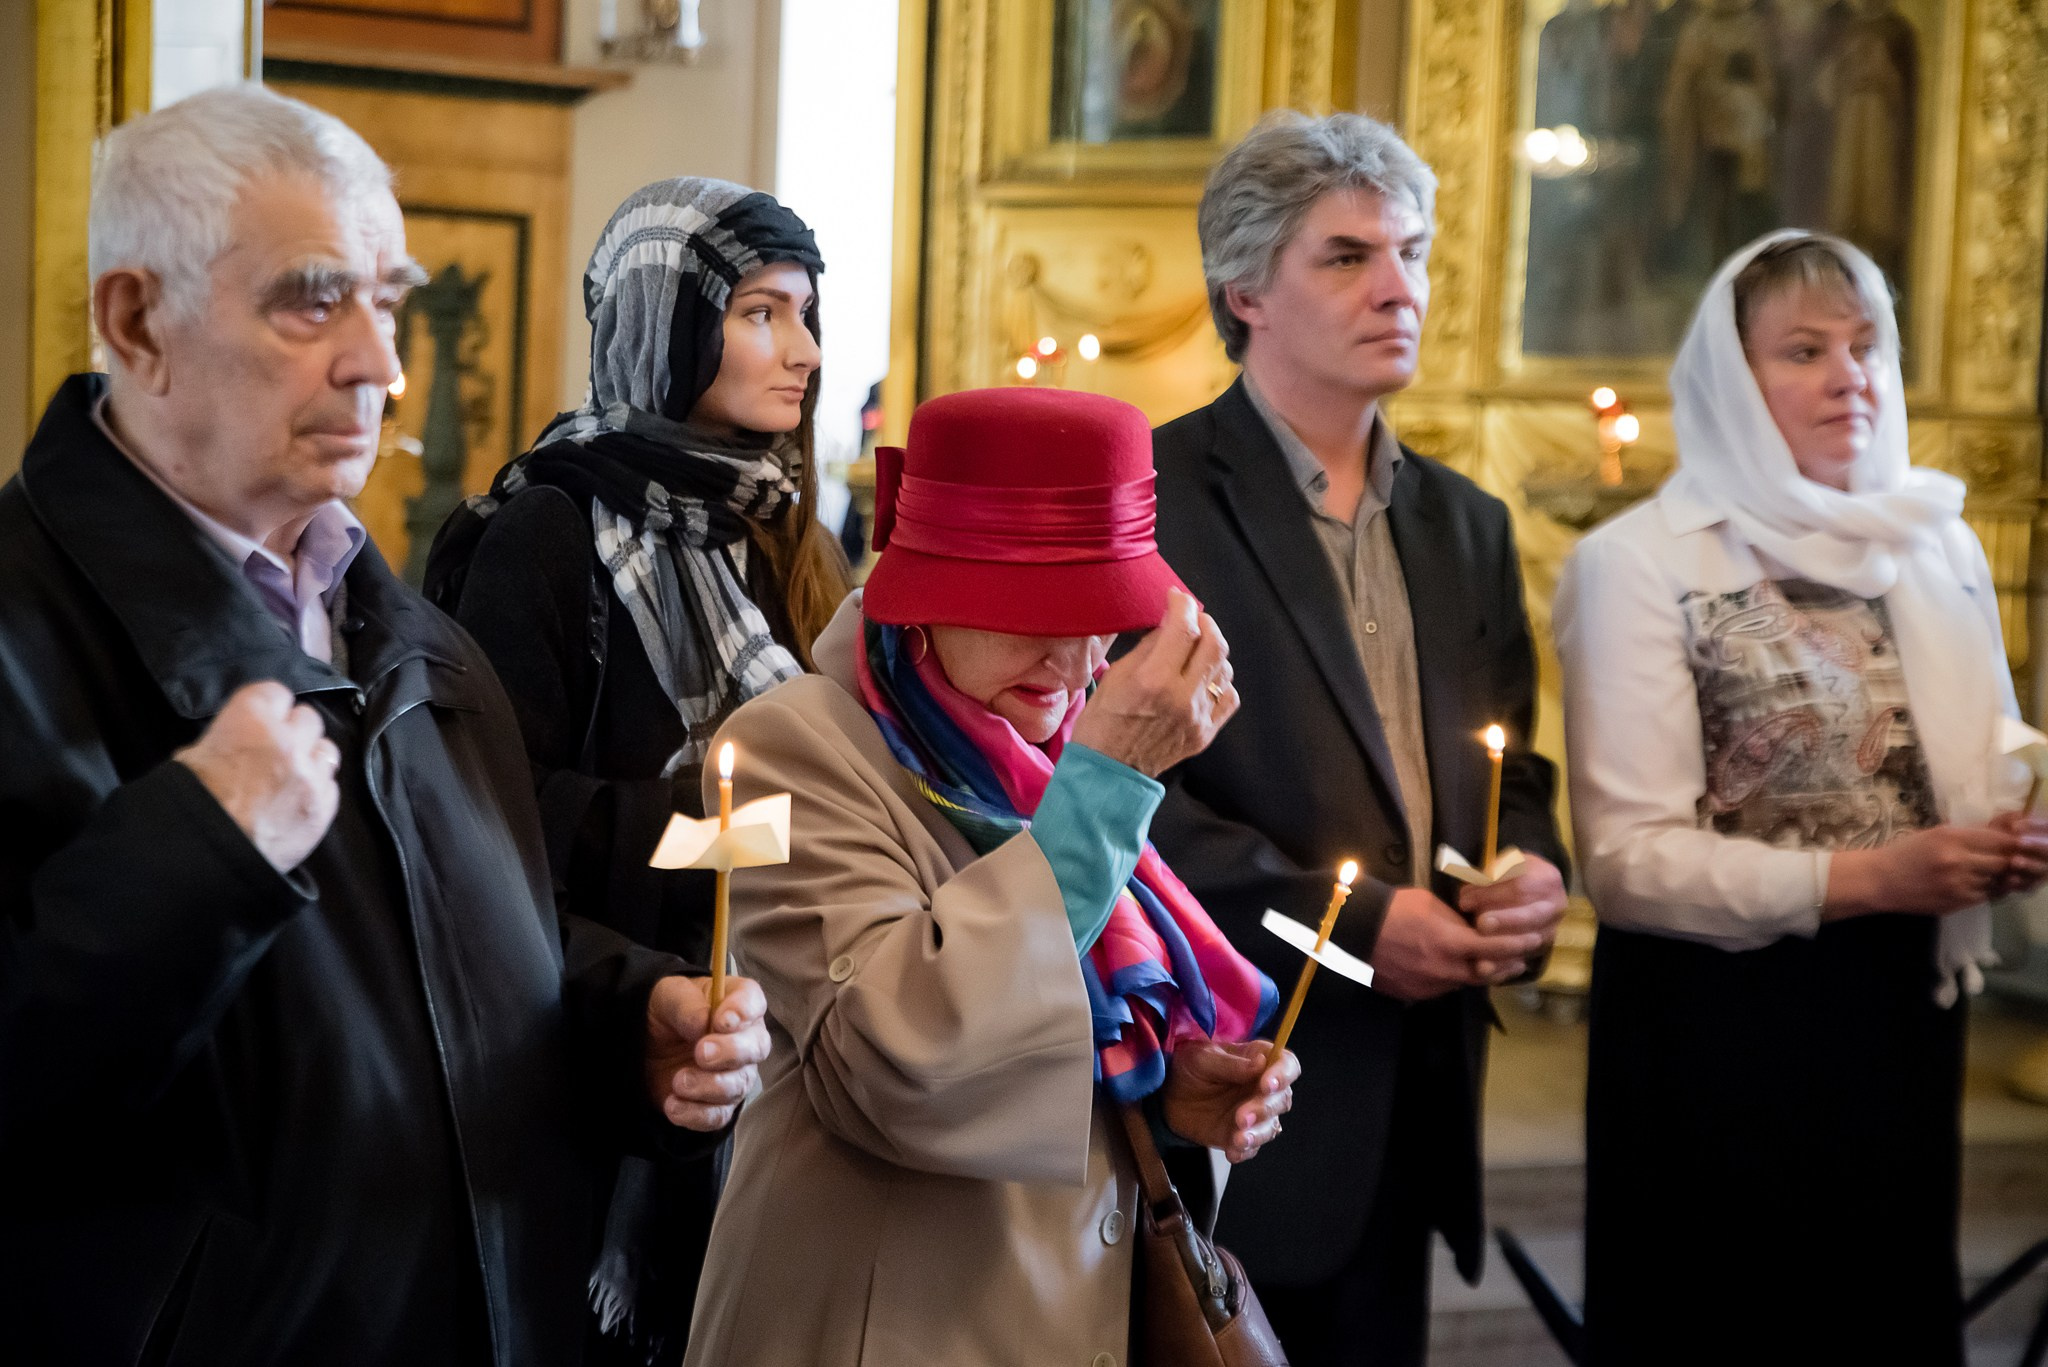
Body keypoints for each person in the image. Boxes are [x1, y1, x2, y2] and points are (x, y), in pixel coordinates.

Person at [0, 85, 770, 1366]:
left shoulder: (412, 635)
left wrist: (625, 1023)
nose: (382, 363)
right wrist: (200, 851)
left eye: (390, 298)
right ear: (137, 320)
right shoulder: (21, 627)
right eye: (312, 299)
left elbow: (440, 946)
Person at [684, 387, 1301, 1367]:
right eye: (1033, 612)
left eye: (1104, 616)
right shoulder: (789, 746)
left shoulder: (1051, 745)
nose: (1074, 656)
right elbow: (898, 1063)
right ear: (921, 593)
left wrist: (1157, 1090)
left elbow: (1061, 1012)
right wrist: (1106, 786)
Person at [1555, 230, 2048, 1367]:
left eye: (1866, 344)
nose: (1849, 375)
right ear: (1731, 381)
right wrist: (1874, 874)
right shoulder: (1638, 561)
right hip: (1714, 1028)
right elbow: (1628, 864)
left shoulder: (1932, 541)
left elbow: (1980, 750)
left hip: (1899, 1007)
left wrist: (2014, 827)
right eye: (1803, 349)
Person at [1142, 110, 1571, 1366]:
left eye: (1414, 252)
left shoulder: (1466, 522)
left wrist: (1530, 873)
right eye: (1346, 257)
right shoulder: (1154, 506)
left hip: (1418, 1089)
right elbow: (1127, 804)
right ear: (1244, 288)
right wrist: (1354, 929)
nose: (1401, 288)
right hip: (1233, 1081)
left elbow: (1515, 774)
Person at [423, 176, 846, 1366]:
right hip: (603, 1051)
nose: (803, 351)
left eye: (806, 315)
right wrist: (713, 829)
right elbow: (488, 819)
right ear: (666, 321)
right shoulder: (544, 531)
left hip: (776, 1054)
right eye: (763, 313)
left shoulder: (786, 534)